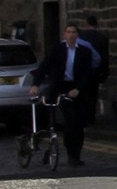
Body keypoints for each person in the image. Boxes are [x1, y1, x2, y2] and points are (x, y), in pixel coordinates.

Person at [33, 23, 103, 165]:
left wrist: (78, 89)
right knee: (68, 120)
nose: (71, 35)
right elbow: (45, 66)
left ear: (77, 35)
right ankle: (65, 151)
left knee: (79, 123)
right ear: (65, 34)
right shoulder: (57, 49)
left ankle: (76, 155)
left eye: (74, 32)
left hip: (77, 88)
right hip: (61, 88)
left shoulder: (84, 51)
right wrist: (35, 84)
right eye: (69, 32)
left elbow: (87, 74)